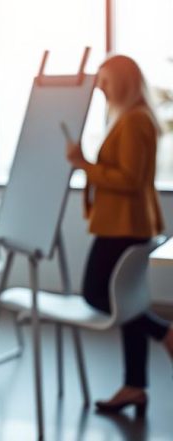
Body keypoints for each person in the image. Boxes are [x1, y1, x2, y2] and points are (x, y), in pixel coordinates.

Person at [65, 54, 170, 415]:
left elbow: (129, 179)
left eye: (105, 81)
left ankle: (164, 333)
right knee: (128, 301)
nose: (99, 88)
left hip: (124, 226)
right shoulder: (129, 117)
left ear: (123, 82)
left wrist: (84, 165)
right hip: (126, 224)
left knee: (97, 294)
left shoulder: (135, 120)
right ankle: (134, 386)